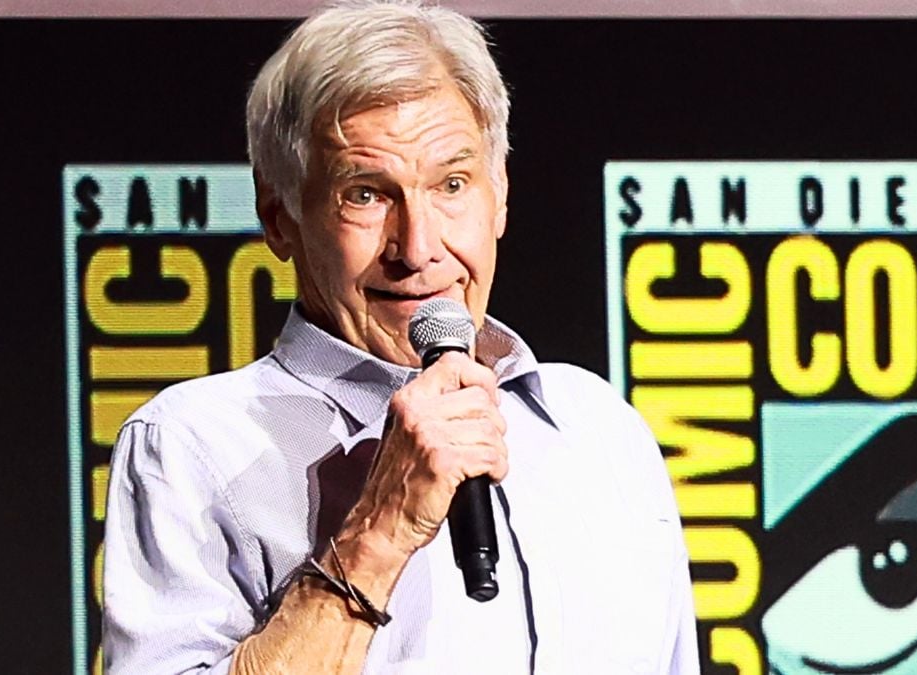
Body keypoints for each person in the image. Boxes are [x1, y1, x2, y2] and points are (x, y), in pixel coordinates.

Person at [101, 1, 698, 673]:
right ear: (280, 216)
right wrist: (378, 531)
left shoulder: (600, 429)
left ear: (499, 193)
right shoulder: (191, 447)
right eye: (366, 194)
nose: (418, 248)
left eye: (451, 183)